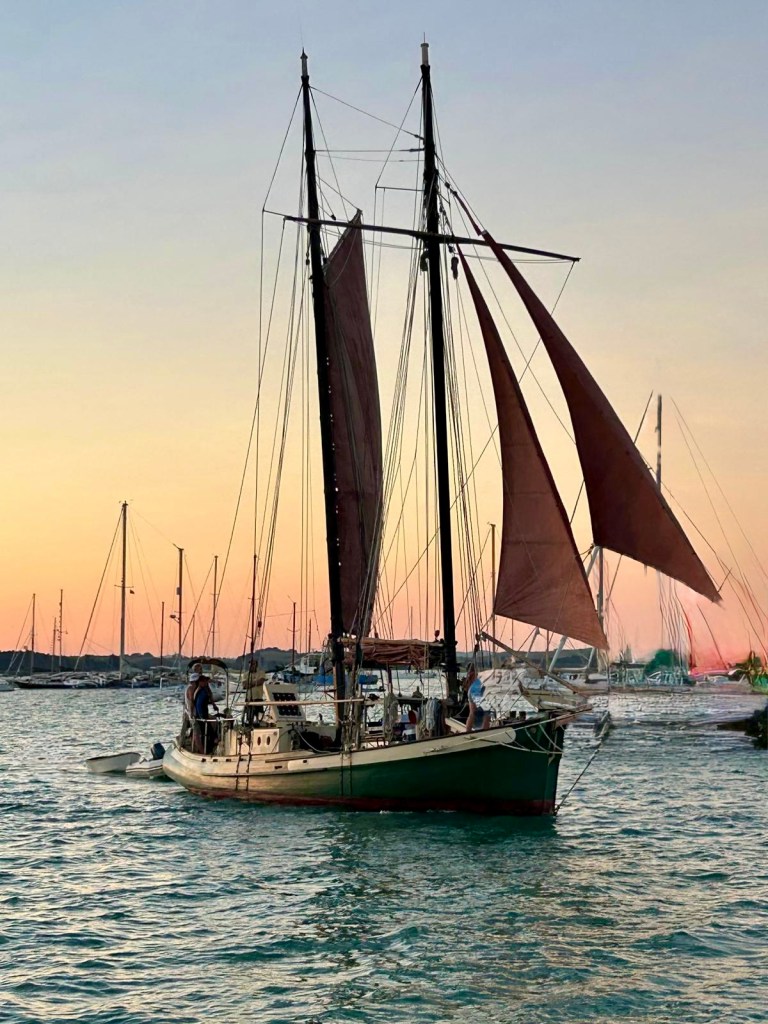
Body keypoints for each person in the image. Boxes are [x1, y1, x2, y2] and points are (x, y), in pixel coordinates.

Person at [193, 673, 220, 754]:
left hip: (203, 712)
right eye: (204, 682)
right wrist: (201, 716)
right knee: (206, 730)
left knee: (208, 729)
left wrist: (214, 705)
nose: (206, 683)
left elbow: (209, 697)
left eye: (206, 682)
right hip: (201, 714)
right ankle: (209, 746)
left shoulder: (204, 690)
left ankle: (211, 745)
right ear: (200, 682)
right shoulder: (200, 691)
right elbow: (198, 704)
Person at [464, 665, 490, 733]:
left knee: (472, 713)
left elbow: (472, 713)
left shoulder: (472, 686)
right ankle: (484, 733)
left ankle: (467, 732)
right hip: (480, 689)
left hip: (472, 690)